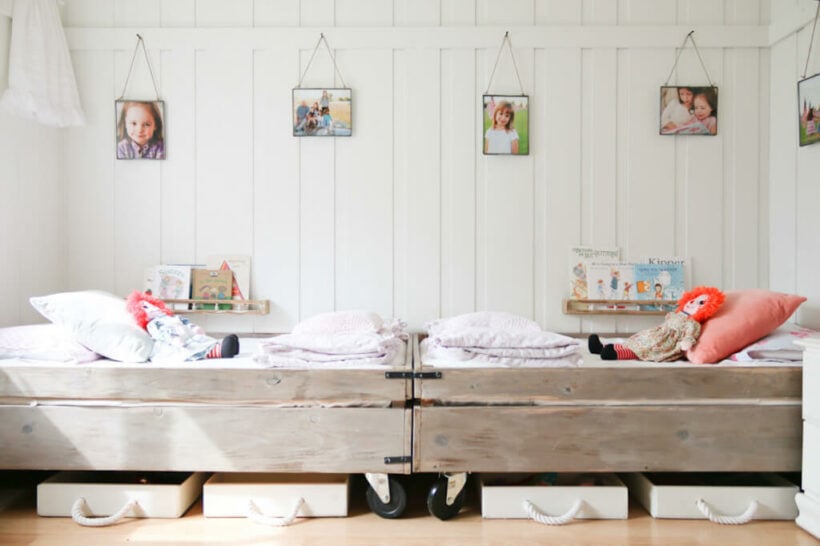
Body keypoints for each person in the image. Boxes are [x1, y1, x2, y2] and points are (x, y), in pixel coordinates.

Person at [588, 286, 725, 361]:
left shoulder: (692, 323)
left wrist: (686, 343)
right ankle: (601, 347)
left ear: (706, 308)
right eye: (693, 299)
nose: (692, 303)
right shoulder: (676, 315)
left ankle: (615, 354)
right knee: (636, 341)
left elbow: (690, 335)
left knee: (643, 350)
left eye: (700, 303)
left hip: (664, 343)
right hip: (656, 334)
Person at [126, 291, 239, 361]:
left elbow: (185, 322)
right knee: (191, 348)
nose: (152, 308)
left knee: (201, 340)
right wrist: (174, 338)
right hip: (177, 341)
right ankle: (219, 352)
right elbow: (162, 333)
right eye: (146, 308)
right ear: (141, 314)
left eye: (152, 305)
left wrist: (193, 328)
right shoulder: (154, 324)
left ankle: (219, 347)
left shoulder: (171, 318)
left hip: (187, 334)